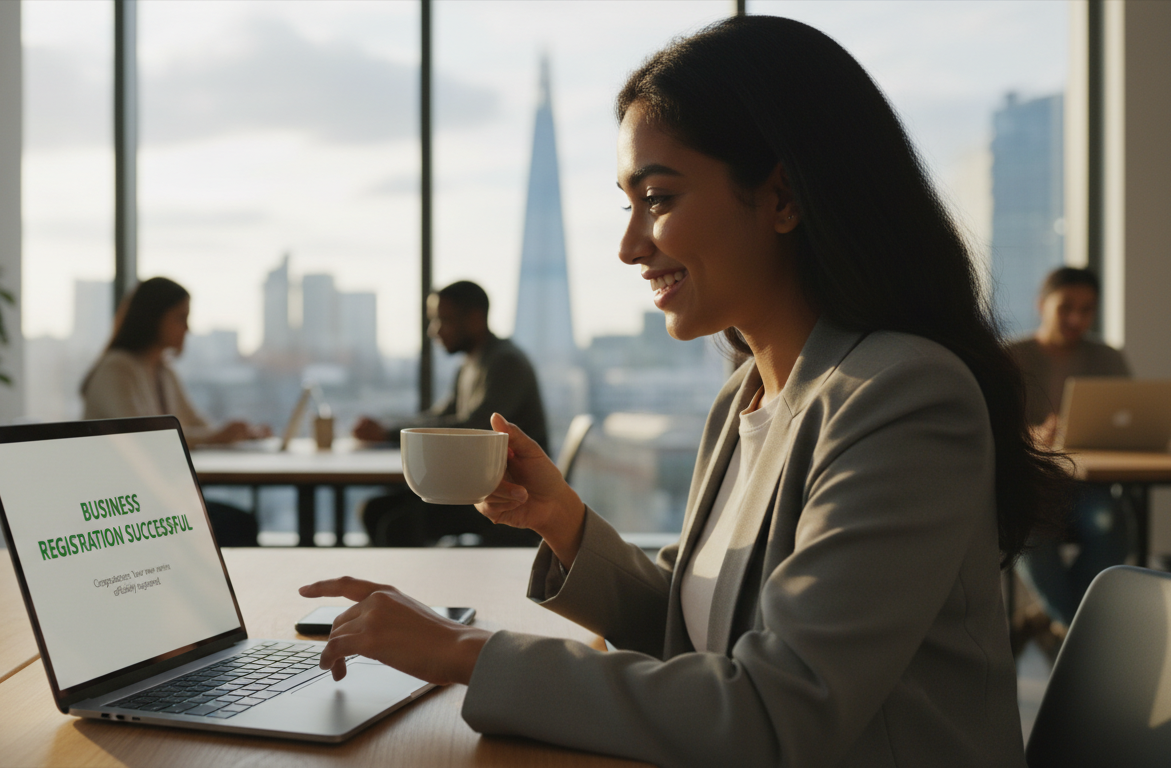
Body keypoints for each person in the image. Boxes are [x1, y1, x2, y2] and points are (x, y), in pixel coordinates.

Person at [299, 17, 1066, 768]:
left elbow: (772, 712)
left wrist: (461, 649)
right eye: (627, 204)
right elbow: (701, 636)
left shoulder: (903, 397)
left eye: (658, 199)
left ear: (783, 197)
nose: (631, 245)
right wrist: (566, 523)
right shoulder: (746, 401)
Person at [353, 280, 548, 546]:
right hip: (473, 485)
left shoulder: (505, 363)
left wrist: (385, 432)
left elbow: (475, 427)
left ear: (476, 318)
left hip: (506, 493)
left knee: (396, 524)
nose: (434, 331)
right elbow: (439, 416)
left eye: (443, 320)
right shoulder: (472, 363)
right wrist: (386, 428)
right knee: (374, 510)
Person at [82, 277, 270, 546]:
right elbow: (145, 440)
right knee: (234, 525)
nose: (187, 328)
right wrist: (214, 436)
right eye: (180, 318)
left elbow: (197, 425)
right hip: (124, 509)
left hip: (159, 499)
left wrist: (239, 434)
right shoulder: (117, 370)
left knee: (238, 522)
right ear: (152, 319)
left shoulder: (162, 371)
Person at [1008, 267, 1130, 648]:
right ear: (1042, 305)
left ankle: (1057, 619)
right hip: (1033, 485)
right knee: (1030, 530)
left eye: (1087, 309)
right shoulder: (1010, 357)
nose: (1077, 318)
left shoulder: (1107, 359)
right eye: (1066, 308)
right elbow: (987, 426)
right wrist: (1031, 435)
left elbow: (1128, 419)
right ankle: (1084, 637)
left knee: (1112, 522)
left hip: (1088, 484)